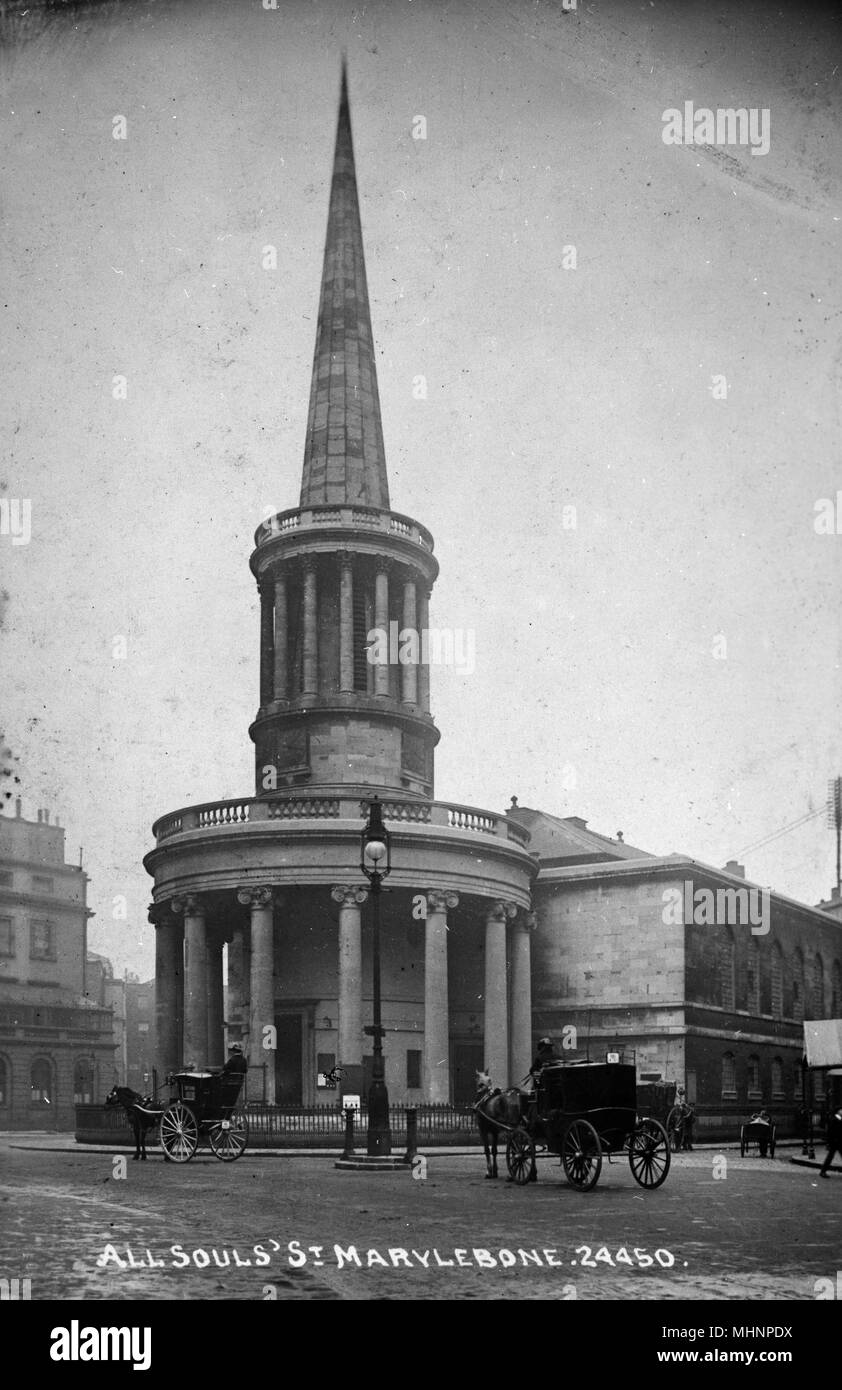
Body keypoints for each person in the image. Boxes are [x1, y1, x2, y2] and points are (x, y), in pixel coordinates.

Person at [820, 1103, 842, 1178]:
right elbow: (830, 1132)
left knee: (830, 1156)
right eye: (841, 1110)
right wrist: (829, 1142)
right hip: (835, 1142)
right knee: (830, 1157)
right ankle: (823, 1171)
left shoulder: (839, 1119)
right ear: (838, 1112)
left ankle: (823, 1171)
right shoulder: (834, 1120)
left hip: (839, 1141)